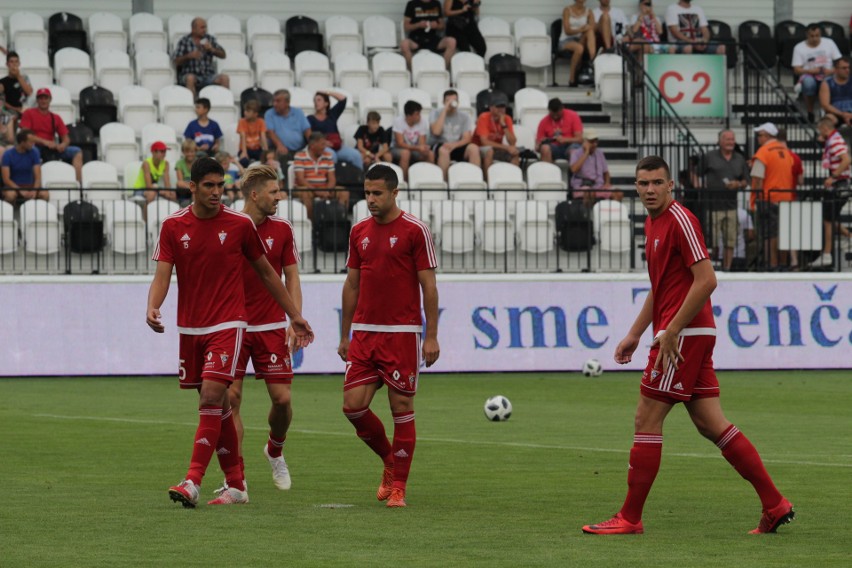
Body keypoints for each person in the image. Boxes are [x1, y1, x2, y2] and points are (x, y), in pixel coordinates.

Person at [581, 155, 794, 536]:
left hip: (685, 335)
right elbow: (661, 287)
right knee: (711, 424)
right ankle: (775, 504)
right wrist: (635, 332)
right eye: (643, 184)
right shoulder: (653, 222)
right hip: (685, 333)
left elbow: (707, 280)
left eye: (656, 183)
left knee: (646, 417)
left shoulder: (681, 219)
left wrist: (672, 329)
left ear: (670, 186)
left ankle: (630, 517)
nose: (649, 190)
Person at [146, 157, 313, 508]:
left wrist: (294, 316)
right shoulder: (173, 226)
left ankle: (193, 479)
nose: (217, 192)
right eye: (209, 186)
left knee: (215, 396)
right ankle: (236, 484)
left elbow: (270, 274)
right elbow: (163, 273)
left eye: (221, 185)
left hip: (231, 323)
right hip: (192, 326)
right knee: (221, 404)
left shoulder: (239, 225)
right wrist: (153, 305)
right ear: (192, 187)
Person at [337, 164, 439, 508]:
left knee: (401, 407)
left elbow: (429, 286)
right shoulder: (359, 232)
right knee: (352, 407)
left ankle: (399, 488)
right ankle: (389, 460)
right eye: (367, 193)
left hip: (401, 333)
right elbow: (352, 283)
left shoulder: (414, 230)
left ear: (395, 193)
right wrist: (345, 335)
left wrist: (431, 336)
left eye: (377, 193)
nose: (370, 199)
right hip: (365, 333)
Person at [226, 165, 302, 492]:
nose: (279, 197)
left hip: (271, 324)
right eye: (274, 192)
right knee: (230, 399)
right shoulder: (227, 226)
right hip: (232, 325)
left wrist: (294, 318)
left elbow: (292, 276)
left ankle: (275, 449)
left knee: (282, 400)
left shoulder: (282, 229)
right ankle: (236, 476)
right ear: (255, 195)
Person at [701, 130, 750, 271]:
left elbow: (746, 181)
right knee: (713, 240)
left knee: (730, 240)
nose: (731, 142)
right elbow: (695, 172)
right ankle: (711, 268)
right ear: (720, 141)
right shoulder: (709, 156)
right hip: (713, 206)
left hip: (731, 205)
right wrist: (699, 187)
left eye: (732, 139)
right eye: (728, 139)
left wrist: (738, 184)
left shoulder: (740, 159)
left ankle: (727, 268)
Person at [750, 122, 796, 270]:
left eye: (760, 135)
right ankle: (783, 264)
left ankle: (772, 265)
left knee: (769, 235)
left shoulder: (763, 152)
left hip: (768, 198)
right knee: (784, 234)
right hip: (786, 199)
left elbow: (757, 179)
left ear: (768, 135)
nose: (758, 138)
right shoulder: (786, 151)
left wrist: (755, 199)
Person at [809, 116, 851, 268]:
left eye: (821, 131)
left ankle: (827, 254)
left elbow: (847, 159)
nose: (820, 134)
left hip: (839, 183)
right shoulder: (833, 138)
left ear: (826, 129)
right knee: (829, 217)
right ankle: (848, 236)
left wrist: (833, 177)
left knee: (827, 220)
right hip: (840, 183)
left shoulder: (834, 141)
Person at [19, 88, 83, 183]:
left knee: (77, 151)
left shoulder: (55, 117)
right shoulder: (29, 113)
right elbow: (25, 135)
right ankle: (37, 185)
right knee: (34, 151)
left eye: (46, 98)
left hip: (50, 148)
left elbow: (66, 138)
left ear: (50, 100)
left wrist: (63, 145)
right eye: (41, 98)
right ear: (37, 100)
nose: (43, 101)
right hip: (34, 146)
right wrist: (45, 142)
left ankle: (78, 185)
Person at [792, 24, 842, 120]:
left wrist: (831, 71)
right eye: (812, 36)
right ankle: (810, 112)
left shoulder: (829, 43)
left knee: (829, 81)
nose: (815, 38)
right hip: (809, 75)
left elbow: (839, 62)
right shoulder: (799, 47)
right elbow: (796, 69)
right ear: (807, 35)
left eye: (817, 35)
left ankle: (827, 111)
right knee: (809, 83)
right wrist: (810, 71)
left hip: (828, 73)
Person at [292, 132, 346, 220]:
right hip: (305, 188)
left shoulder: (328, 156)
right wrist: (317, 191)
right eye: (322, 144)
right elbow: (301, 179)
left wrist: (326, 191)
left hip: (324, 188)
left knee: (344, 193)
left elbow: (332, 178)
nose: (325, 147)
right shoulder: (300, 156)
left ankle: (339, 223)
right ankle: (312, 226)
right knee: (305, 193)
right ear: (312, 145)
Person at [173, 17, 230, 98]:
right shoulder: (184, 41)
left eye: (205, 27)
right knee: (190, 78)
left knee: (224, 78)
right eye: (202, 27)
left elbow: (223, 55)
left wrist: (212, 49)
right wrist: (189, 56)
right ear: (193, 29)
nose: (205, 30)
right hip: (190, 74)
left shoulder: (209, 39)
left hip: (208, 75)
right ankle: (192, 105)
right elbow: (176, 61)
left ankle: (224, 104)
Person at [430, 89, 480, 178]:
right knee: (444, 151)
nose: (452, 103)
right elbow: (436, 132)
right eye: (448, 100)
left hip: (457, 145)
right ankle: (444, 183)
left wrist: (454, 145)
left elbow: (467, 138)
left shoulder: (464, 116)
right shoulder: (435, 113)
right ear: (443, 102)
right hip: (441, 144)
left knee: (474, 148)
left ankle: (475, 179)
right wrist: (445, 109)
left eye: (454, 100)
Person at [308, 90, 363, 169]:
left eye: (319, 100)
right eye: (315, 100)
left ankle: (360, 179)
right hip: (323, 146)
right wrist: (322, 142)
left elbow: (343, 99)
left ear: (326, 103)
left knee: (356, 155)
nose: (316, 103)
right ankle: (335, 180)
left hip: (338, 146)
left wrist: (327, 93)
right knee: (331, 155)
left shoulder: (332, 114)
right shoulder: (310, 119)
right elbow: (309, 135)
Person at [265, 89, 312, 180]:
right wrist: (280, 145)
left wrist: (312, 145)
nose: (274, 104)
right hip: (279, 149)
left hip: (300, 149)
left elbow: (307, 130)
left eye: (278, 101)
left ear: (287, 102)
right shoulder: (269, 114)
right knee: (282, 158)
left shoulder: (298, 112)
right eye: (274, 101)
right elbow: (270, 132)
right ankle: (285, 190)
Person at [400, 0, 457, 68]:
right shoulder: (412, 4)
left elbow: (442, 26)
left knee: (452, 41)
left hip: (432, 38)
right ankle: (412, 69)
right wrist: (418, 25)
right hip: (416, 38)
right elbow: (406, 27)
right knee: (404, 44)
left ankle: (442, 69)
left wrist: (436, 26)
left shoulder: (436, 3)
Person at [569, 128, 617, 207]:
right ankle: (590, 218)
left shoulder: (600, 153)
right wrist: (586, 153)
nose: (594, 144)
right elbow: (573, 169)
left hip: (598, 185)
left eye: (596, 141)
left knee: (617, 193)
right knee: (589, 193)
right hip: (582, 186)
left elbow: (606, 172)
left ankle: (613, 217)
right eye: (591, 142)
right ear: (585, 141)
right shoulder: (575, 153)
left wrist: (607, 183)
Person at [473, 92, 519, 170]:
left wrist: (504, 125)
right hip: (479, 148)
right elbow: (484, 142)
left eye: (503, 107)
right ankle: (488, 179)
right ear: (491, 108)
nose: (501, 109)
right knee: (489, 151)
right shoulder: (483, 117)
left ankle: (513, 178)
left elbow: (512, 142)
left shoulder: (507, 118)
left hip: (497, 148)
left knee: (515, 152)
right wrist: (506, 147)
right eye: (498, 107)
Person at [1, 129, 45, 204]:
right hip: (13, 187)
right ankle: (9, 214)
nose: (33, 144)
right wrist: (20, 190)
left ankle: (39, 214)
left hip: (30, 186)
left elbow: (38, 177)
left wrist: (34, 190)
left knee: (44, 194)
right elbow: (6, 179)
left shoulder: (35, 152)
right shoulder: (8, 155)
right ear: (22, 142)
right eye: (31, 142)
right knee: (10, 195)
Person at [392, 100, 434, 179]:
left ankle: (428, 179)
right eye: (417, 114)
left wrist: (423, 149)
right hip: (397, 148)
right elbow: (400, 143)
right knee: (406, 153)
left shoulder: (423, 122)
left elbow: (421, 143)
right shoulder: (398, 121)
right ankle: (404, 181)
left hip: (415, 148)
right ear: (409, 115)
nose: (420, 116)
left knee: (430, 154)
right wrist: (418, 148)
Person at [559, 0, 597, 87]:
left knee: (590, 31)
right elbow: (567, 30)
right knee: (579, 48)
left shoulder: (589, 12)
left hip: (580, 39)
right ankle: (572, 78)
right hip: (566, 40)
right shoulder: (567, 10)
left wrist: (588, 27)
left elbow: (592, 28)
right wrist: (580, 30)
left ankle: (592, 60)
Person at [536, 98, 583, 164]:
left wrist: (565, 140)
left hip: (570, 145)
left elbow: (580, 139)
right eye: (553, 114)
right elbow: (537, 148)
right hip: (554, 147)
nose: (555, 117)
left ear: (562, 109)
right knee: (545, 148)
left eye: (557, 114)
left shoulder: (573, 116)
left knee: (574, 151)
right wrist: (541, 143)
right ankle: (548, 173)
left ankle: (573, 173)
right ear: (549, 111)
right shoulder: (544, 121)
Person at [0, 51, 33, 144]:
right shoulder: (3, 82)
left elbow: (29, 92)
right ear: (7, 64)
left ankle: (28, 142)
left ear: (19, 64)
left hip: (25, 108)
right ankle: (13, 143)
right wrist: (16, 109)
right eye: (11, 62)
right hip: (10, 109)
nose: (14, 64)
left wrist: (18, 76)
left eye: (16, 62)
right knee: (12, 116)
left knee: (32, 115)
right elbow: (2, 101)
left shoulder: (24, 78)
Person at [818, 55, 852, 127]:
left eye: (848, 68)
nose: (847, 70)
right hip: (835, 114)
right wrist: (842, 114)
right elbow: (825, 105)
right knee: (827, 122)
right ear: (836, 69)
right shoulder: (827, 83)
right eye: (844, 68)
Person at [237, 100, 268, 168]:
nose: (245, 112)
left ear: (255, 114)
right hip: (245, 149)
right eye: (245, 110)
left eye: (248, 111)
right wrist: (244, 152)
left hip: (257, 149)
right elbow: (243, 137)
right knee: (244, 161)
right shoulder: (242, 121)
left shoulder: (261, 122)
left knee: (265, 161)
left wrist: (266, 152)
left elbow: (263, 137)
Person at [175, 139, 198, 205]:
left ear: (195, 151)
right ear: (183, 152)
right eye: (187, 152)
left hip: (195, 187)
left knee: (195, 190)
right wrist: (192, 186)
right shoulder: (179, 163)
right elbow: (180, 181)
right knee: (179, 183)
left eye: (192, 152)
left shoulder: (199, 162)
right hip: (184, 188)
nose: (189, 154)